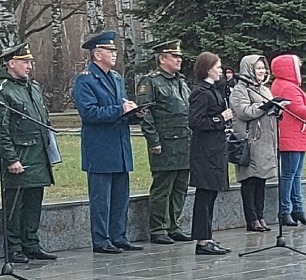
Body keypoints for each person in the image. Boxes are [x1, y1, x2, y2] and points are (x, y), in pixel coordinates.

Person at [72, 31, 144, 254]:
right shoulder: (85, 79)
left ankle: (118, 235)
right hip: (100, 147)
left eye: (114, 50)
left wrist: (134, 113)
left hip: (120, 145)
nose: (114, 54)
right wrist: (119, 110)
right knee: (101, 199)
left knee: (121, 197)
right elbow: (89, 113)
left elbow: (120, 108)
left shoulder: (116, 78)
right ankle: (101, 240)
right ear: (96, 54)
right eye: (109, 51)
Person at [0, 42, 57, 262]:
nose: (29, 66)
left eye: (30, 62)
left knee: (34, 201)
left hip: (38, 154)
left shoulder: (32, 86)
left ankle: (31, 243)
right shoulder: (5, 89)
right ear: (11, 63)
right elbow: (2, 129)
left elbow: (42, 118)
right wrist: (11, 158)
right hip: (19, 156)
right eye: (25, 62)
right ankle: (13, 248)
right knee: (15, 205)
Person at [137, 39, 192, 245]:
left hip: (184, 142)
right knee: (163, 187)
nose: (179, 60)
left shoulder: (181, 81)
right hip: (165, 143)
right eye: (174, 56)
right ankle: (158, 228)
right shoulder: (150, 81)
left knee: (180, 187)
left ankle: (174, 225)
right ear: (162, 59)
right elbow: (146, 114)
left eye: (179, 56)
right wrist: (153, 140)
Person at [270, 54, 306, 227]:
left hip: (294, 135)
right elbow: (301, 112)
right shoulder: (288, 87)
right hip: (292, 136)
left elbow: (295, 106)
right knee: (290, 175)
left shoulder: (284, 85)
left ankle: (297, 210)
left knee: (294, 175)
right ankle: (286, 210)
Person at [187, 52, 232, 256]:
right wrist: (220, 119)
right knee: (204, 196)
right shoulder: (201, 92)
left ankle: (208, 237)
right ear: (207, 69)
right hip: (204, 151)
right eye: (217, 67)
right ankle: (202, 240)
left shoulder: (213, 90)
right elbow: (195, 122)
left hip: (215, 149)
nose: (220, 70)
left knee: (211, 195)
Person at [230, 55, 279, 232]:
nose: (262, 71)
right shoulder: (239, 90)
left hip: (266, 141)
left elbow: (268, 107)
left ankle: (261, 216)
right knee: (250, 181)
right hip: (250, 141)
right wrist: (264, 107)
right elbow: (243, 112)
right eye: (258, 68)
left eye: (263, 68)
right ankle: (252, 219)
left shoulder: (264, 89)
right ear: (249, 69)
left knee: (261, 181)